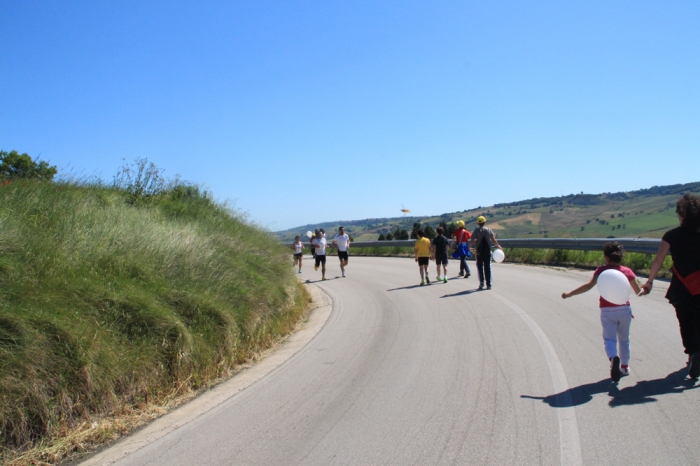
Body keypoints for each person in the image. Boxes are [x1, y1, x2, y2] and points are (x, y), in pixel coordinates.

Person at [562, 242, 642, 382]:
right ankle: (624, 366)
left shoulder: (601, 271)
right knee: (624, 339)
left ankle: (613, 358)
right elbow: (638, 291)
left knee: (609, 339)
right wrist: (646, 288)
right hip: (624, 309)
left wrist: (570, 293)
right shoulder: (627, 271)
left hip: (607, 310)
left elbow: (588, 286)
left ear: (606, 257)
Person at [640, 193, 700, 379]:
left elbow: (658, 260)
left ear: (681, 214)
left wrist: (649, 281)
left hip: (681, 286)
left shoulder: (671, 235)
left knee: (685, 320)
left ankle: (693, 353)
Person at [470, 216, 502, 290]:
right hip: (488, 252)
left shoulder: (476, 231)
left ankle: (481, 283)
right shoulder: (488, 230)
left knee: (480, 267)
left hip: (479, 252)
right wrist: (498, 246)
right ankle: (489, 284)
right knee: (488, 267)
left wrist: (469, 247)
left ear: (478, 223)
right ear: (485, 222)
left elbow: (472, 240)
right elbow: (493, 239)